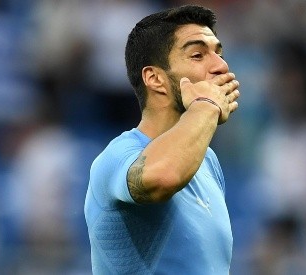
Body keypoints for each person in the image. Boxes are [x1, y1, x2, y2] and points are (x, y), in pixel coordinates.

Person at [84, 5, 240, 274]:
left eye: (219, 53)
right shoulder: (116, 156)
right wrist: (205, 105)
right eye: (197, 54)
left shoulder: (208, 162)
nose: (221, 66)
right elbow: (163, 177)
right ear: (155, 79)